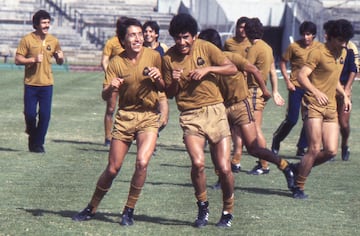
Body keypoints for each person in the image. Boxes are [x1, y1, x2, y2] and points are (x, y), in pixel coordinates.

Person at [72, 18, 165, 225]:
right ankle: (92, 207)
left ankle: (128, 210)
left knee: (142, 162)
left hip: (149, 117)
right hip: (124, 117)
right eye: (132, 35)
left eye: (140, 34)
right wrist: (110, 87)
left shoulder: (154, 56)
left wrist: (159, 78)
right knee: (113, 169)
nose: (138, 38)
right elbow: (105, 97)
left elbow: (166, 88)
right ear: (123, 39)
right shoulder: (115, 62)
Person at [162, 13, 237, 228]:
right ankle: (203, 205)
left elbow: (231, 68)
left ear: (194, 36)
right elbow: (169, 93)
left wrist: (208, 69)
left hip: (215, 111)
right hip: (190, 115)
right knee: (198, 163)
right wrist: (174, 82)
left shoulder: (206, 47)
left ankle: (228, 209)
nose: (182, 42)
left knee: (224, 168)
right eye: (177, 38)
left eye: (186, 37)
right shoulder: (168, 58)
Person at [198, 28, 295, 191]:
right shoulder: (204, 64)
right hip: (221, 109)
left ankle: (285, 166)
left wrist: (265, 90)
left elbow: (254, 70)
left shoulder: (230, 58)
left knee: (253, 147)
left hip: (240, 106)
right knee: (216, 146)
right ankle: (222, 178)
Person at [291, 19, 353, 199]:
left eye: (345, 40)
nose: (343, 43)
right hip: (313, 104)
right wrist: (315, 92)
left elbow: (334, 81)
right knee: (314, 148)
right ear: (331, 37)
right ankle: (298, 186)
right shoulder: (318, 52)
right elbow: (302, 76)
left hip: (331, 107)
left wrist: (345, 95)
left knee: (331, 151)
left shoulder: (343, 52)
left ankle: (297, 167)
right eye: (340, 39)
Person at [15, 10, 64, 153]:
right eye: (43, 22)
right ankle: (31, 132)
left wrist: (60, 58)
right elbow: (18, 60)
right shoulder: (27, 40)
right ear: (36, 24)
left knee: (45, 115)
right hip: (31, 84)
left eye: (48, 22)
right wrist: (33, 59)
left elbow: (59, 60)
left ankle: (38, 144)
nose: (46, 25)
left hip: (47, 84)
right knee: (30, 115)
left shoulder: (53, 41)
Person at [271, 21, 321, 157]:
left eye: (308, 34)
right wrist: (288, 81)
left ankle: (301, 147)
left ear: (314, 35)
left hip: (311, 89)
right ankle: (277, 139)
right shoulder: (294, 47)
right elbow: (282, 62)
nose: (305, 37)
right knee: (292, 119)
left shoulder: (320, 48)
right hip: (296, 87)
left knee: (309, 118)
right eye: (303, 34)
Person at [244, 17, 285, 175]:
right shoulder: (267, 47)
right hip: (261, 91)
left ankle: (264, 164)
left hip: (254, 91)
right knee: (255, 128)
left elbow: (246, 69)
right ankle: (261, 163)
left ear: (247, 32)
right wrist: (274, 91)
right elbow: (273, 72)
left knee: (255, 130)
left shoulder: (254, 49)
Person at [224, 16, 251, 172]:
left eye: (245, 27)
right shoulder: (229, 43)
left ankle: (264, 161)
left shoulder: (252, 44)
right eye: (240, 27)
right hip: (233, 88)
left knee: (250, 131)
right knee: (233, 128)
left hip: (249, 89)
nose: (242, 30)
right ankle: (236, 158)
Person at [101, 17, 127, 147]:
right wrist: (110, 74)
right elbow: (104, 60)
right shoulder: (112, 42)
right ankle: (108, 137)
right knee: (111, 108)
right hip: (113, 80)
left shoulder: (130, 41)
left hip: (127, 80)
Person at [142, 20, 169, 138]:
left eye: (150, 31)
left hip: (160, 88)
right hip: (144, 89)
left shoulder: (163, 48)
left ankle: (150, 133)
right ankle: (147, 139)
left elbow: (168, 65)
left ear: (156, 34)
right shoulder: (140, 49)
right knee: (145, 116)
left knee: (163, 120)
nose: (148, 34)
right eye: (145, 31)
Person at [337, 41, 358, 161]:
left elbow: (353, 70)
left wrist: (347, 88)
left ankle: (344, 144)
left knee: (344, 124)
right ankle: (329, 148)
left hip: (344, 90)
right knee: (331, 121)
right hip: (331, 89)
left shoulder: (349, 53)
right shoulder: (328, 53)